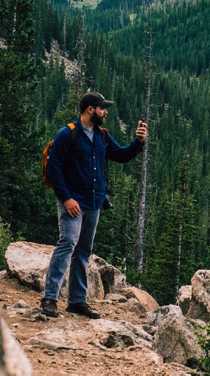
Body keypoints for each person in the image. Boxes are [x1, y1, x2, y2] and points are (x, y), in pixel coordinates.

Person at [40, 91, 147, 319]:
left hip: (94, 202)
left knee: (83, 251)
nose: (105, 112)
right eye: (102, 108)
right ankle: (49, 298)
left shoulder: (102, 136)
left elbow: (120, 155)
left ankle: (77, 301)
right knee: (67, 243)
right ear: (90, 109)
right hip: (73, 202)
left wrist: (138, 142)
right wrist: (66, 198)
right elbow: (54, 169)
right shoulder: (67, 134)